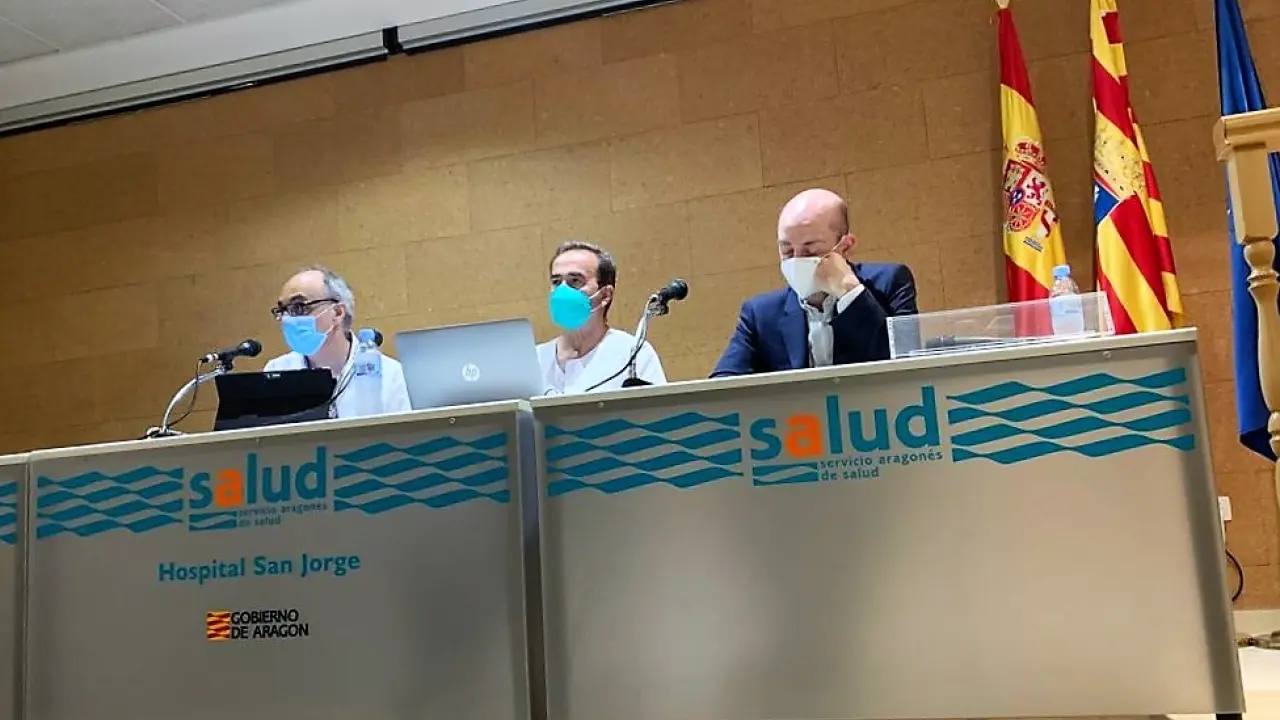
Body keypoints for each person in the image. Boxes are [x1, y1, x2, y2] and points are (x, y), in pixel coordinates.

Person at [711, 188, 918, 377]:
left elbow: (907, 369)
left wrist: (850, 292)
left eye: (811, 250)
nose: (797, 260)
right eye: (787, 251)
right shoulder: (759, 314)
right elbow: (722, 386)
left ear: (845, 247)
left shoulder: (891, 283)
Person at [263, 265, 411, 417]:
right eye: (282, 311)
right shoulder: (276, 372)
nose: (287, 319)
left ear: (337, 313)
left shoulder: (388, 373)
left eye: (298, 307)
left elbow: (403, 432)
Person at [538, 241, 667, 394]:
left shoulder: (633, 355)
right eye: (556, 282)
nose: (562, 290)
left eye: (575, 281)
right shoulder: (534, 360)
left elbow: (658, 408)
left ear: (605, 295)